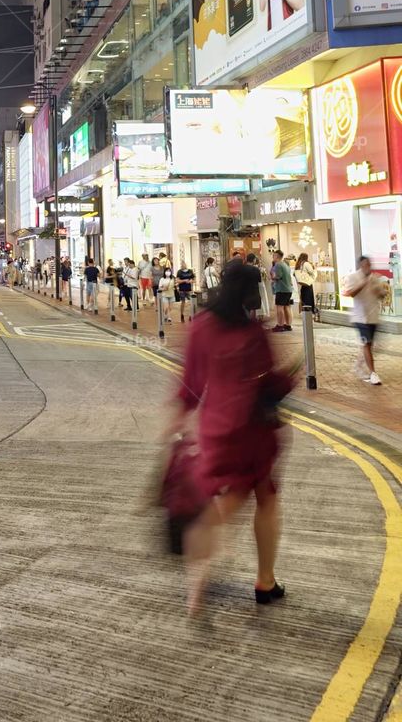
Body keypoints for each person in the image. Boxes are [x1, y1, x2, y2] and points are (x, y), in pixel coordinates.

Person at [174, 259, 293, 614]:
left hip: (216, 425)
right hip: (251, 428)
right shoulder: (252, 332)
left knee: (232, 494)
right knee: (263, 496)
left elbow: (190, 384)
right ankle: (264, 579)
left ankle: (199, 582)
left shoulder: (200, 326)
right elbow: (269, 380)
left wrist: (178, 422)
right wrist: (291, 377)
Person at [343, 256, 384, 386]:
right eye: (366, 265)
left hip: (373, 317)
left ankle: (359, 365)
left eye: (369, 264)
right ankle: (373, 374)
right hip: (360, 317)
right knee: (367, 343)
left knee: (370, 345)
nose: (368, 267)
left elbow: (382, 295)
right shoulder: (353, 277)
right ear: (361, 265)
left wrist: (378, 291)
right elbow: (351, 293)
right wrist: (364, 283)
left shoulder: (374, 278)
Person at [271, 250, 294, 332]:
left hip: (281, 289)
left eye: (274, 256)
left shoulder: (278, 265)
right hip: (288, 289)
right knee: (287, 307)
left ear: (277, 256)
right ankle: (288, 325)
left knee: (279, 307)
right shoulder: (285, 264)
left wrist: (272, 277)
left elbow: (278, 276)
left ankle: (280, 325)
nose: (273, 257)